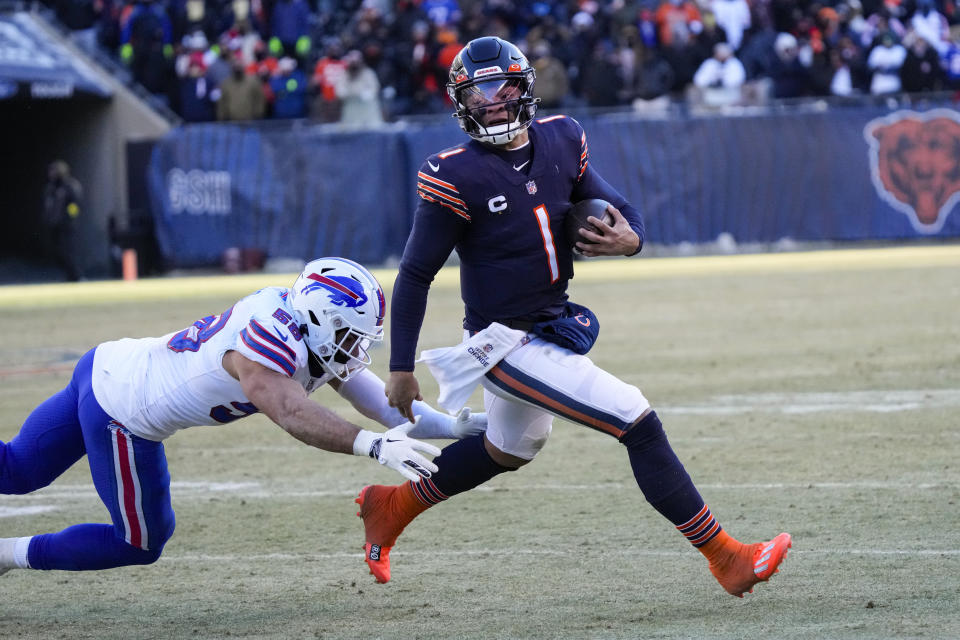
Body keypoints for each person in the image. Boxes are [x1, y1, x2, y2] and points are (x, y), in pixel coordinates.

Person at [357, 36, 792, 596]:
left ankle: (389, 507)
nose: (490, 101)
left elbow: (618, 206)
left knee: (510, 448)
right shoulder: (454, 173)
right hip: (502, 343)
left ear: (525, 89)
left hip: (549, 323)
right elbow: (416, 273)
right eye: (477, 92)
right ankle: (726, 556)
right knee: (636, 418)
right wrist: (399, 366)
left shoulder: (562, 137)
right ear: (459, 100)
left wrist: (630, 239)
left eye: (501, 88)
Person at [0, 258, 486, 575]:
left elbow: (371, 396)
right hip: (120, 413)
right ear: (322, 321)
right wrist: (373, 446)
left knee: (18, 469)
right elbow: (291, 411)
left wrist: (440, 423)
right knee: (140, 541)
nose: (357, 350)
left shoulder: (299, 323)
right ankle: (7, 555)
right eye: (352, 336)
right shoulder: (266, 340)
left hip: (106, 362)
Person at [42, 161, 85, 281]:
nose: (50, 174)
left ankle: (76, 276)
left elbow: (74, 205)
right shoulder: (51, 188)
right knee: (57, 252)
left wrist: (71, 219)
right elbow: (48, 205)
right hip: (54, 225)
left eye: (53, 171)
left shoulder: (70, 186)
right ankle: (68, 275)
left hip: (67, 225)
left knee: (69, 251)